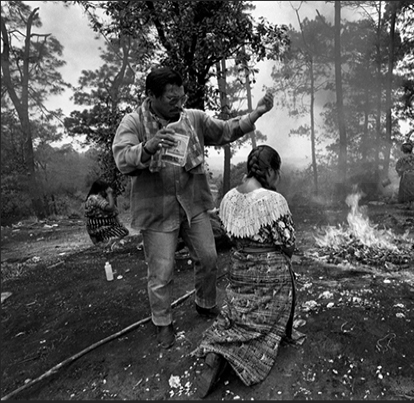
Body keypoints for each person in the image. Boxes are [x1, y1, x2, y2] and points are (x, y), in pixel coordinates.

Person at [112, 66, 274, 349]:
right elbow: (122, 159)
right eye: (171, 99)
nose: (178, 104)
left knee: (209, 257)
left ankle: (204, 303)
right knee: (161, 272)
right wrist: (148, 148)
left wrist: (256, 113)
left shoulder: (193, 119)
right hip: (157, 211)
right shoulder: (134, 122)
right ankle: (162, 322)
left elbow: (226, 130)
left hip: (192, 204)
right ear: (151, 96)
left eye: (181, 97)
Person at [190, 145, 305, 398]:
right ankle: (246, 354)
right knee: (285, 281)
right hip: (269, 273)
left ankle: (217, 349)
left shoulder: (229, 197)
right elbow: (288, 244)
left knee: (236, 311)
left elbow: (229, 235)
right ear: (272, 171)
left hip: (239, 270)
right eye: (279, 171)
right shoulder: (274, 201)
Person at [83, 179, 129, 251]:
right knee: (124, 232)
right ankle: (109, 243)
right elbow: (110, 208)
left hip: (94, 227)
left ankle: (104, 243)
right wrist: (109, 194)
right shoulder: (95, 198)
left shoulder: (91, 198)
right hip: (100, 227)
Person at [395, 141, 414, 209]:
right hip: (411, 176)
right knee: (409, 190)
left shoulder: (403, 159)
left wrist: (401, 171)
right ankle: (409, 204)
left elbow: (398, 167)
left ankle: (407, 204)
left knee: (407, 190)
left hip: (408, 177)